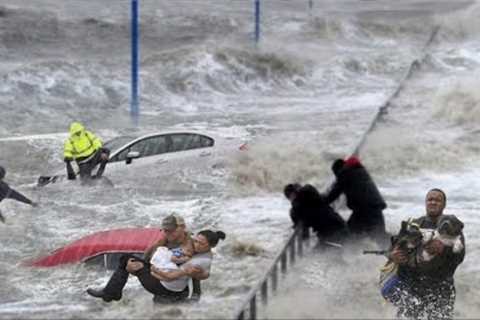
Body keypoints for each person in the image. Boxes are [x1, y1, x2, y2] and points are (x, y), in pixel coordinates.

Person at [86, 227, 225, 303]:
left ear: (210, 246)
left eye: (200, 243)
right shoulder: (197, 250)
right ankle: (112, 293)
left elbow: (172, 276)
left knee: (128, 262)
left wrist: (152, 269)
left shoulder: (198, 261)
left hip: (164, 286)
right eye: (195, 240)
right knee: (127, 259)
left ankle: (111, 293)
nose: (195, 244)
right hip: (172, 283)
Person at [388, 188, 465, 319]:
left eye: (437, 200)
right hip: (413, 288)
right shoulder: (414, 225)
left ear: (444, 205)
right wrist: (393, 255)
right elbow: (393, 248)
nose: (433, 202)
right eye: (430, 199)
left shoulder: (452, 227)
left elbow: (459, 256)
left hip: (442, 289)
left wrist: (444, 249)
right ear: (425, 203)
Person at [324, 156, 387, 243]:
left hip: (364, 210)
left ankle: (346, 254)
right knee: (380, 237)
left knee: (350, 235)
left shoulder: (344, 173)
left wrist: (319, 201)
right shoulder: (359, 170)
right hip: (374, 206)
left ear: (338, 170)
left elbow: (334, 194)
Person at [284, 183, 348, 243]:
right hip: (339, 224)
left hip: (328, 233)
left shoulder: (296, 210)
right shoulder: (311, 192)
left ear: (291, 196)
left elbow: (304, 234)